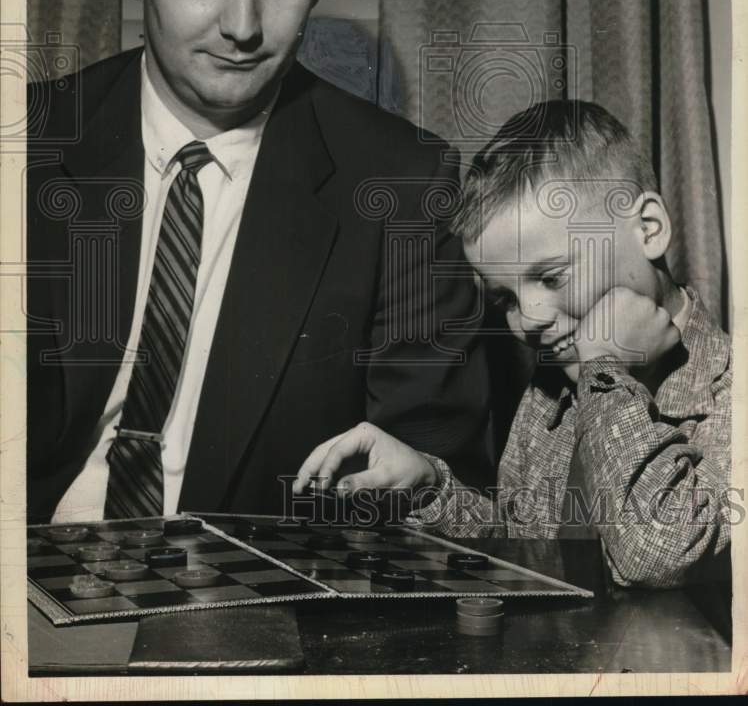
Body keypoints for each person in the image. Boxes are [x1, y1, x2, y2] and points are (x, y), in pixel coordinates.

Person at [26, 0, 491, 524]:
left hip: (257, 607)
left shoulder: (402, 183)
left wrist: (425, 477)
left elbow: (434, 461)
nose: (242, 27)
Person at [294, 100, 732, 588]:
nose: (530, 319)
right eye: (505, 297)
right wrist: (430, 488)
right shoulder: (551, 391)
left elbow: (657, 554)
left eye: (551, 276)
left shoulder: (731, 394)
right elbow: (527, 554)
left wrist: (607, 368)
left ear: (649, 229)